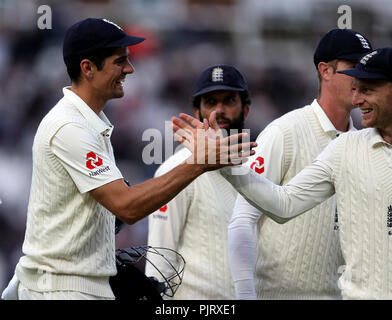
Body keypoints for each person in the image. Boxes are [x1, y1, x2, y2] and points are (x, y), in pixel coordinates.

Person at [1, 18, 255, 300]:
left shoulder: (89, 122)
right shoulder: (69, 127)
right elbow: (127, 207)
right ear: (87, 68)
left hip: (75, 284)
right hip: (62, 289)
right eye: (119, 61)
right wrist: (198, 163)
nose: (129, 69)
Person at [175, 46, 392, 299]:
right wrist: (226, 164)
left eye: (368, 89)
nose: (356, 100)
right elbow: (284, 203)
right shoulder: (344, 147)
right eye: (356, 87)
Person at [224, 29, 373, 300]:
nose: (362, 79)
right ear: (325, 71)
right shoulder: (285, 132)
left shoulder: (365, 143)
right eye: (353, 68)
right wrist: (245, 296)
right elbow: (242, 220)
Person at [146, 65, 250, 299]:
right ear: (197, 112)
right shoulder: (174, 170)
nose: (219, 111)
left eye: (229, 100)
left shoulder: (258, 169)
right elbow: (160, 261)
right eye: (211, 102)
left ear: (246, 110)